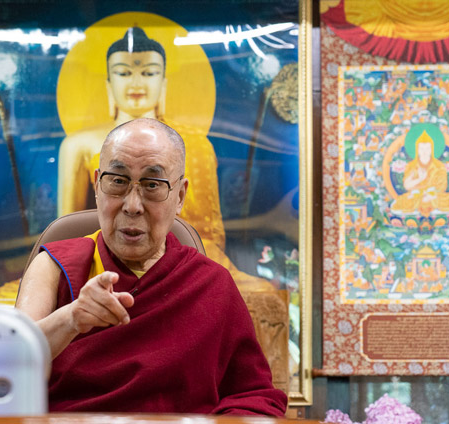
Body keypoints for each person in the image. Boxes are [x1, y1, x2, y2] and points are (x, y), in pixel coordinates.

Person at [17, 118, 287, 416]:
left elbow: (253, 396)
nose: (132, 205)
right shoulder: (55, 266)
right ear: (97, 186)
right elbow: (7, 373)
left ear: (180, 196)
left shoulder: (211, 284)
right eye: (117, 181)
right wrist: (71, 319)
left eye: (152, 185)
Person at [57, 26, 272, 291]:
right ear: (109, 84)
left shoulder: (196, 144)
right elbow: (67, 233)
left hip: (178, 269)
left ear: (163, 83)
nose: (136, 83)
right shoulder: (78, 144)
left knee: (262, 295)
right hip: (97, 268)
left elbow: (210, 235)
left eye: (148, 72)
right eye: (124, 72)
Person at [391, 128, 449, 220]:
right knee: (401, 201)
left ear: (432, 149)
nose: (424, 151)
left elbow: (442, 187)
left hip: (434, 196)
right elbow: (407, 185)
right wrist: (420, 179)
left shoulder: (439, 166)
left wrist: (429, 193)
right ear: (417, 150)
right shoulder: (412, 166)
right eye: (421, 148)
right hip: (416, 196)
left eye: (427, 148)